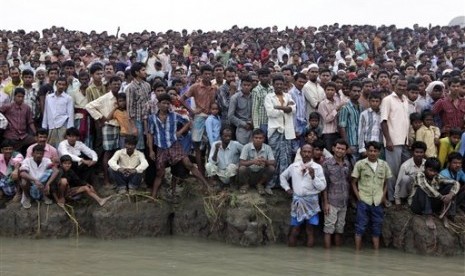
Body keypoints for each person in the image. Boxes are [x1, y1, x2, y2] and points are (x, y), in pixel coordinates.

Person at [147, 93, 209, 199]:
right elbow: (150, 134)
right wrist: (151, 150)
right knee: (160, 173)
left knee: (188, 164)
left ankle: (206, 186)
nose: (166, 106)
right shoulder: (152, 118)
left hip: (174, 145)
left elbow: (188, 122)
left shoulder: (174, 115)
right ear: (158, 104)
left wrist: (180, 132)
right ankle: (153, 196)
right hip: (161, 147)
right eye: (164, 103)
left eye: (168, 103)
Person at [280, 144, 326, 247]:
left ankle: (309, 259)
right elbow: (282, 176)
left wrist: (314, 177)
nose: (306, 154)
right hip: (298, 201)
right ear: (301, 153)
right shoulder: (294, 166)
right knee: (295, 229)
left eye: (309, 152)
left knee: (310, 230)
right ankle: (292, 256)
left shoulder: (317, 168)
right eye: (304, 151)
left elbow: (322, 187)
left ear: (312, 153)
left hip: (312, 202)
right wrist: (287, 189)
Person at [351, 141, 392, 250]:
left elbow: (387, 182)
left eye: (375, 151)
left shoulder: (384, 165)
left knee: (377, 227)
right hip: (363, 200)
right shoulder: (360, 164)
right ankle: (357, 253)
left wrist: (383, 197)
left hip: (378, 201)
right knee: (360, 226)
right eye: (370, 150)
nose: (372, 153)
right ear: (367, 151)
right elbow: (353, 182)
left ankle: (376, 254)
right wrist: (359, 198)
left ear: (379, 152)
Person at [86, 76, 122, 187]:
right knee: (107, 152)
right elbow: (89, 106)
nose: (116, 86)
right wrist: (100, 117)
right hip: (109, 126)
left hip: (119, 127)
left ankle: (116, 179)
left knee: (117, 153)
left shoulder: (120, 97)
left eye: (118, 84)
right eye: (114, 84)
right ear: (110, 85)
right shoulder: (106, 97)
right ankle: (106, 180)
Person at [180, 64, 217, 173]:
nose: (207, 76)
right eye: (205, 73)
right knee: (196, 144)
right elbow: (182, 99)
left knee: (211, 144)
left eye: (209, 74)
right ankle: (200, 171)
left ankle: (209, 171)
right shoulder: (195, 86)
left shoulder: (214, 88)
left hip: (210, 117)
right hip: (199, 117)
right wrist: (191, 111)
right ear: (201, 75)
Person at [264, 74, 295, 195]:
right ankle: (271, 184)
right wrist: (285, 108)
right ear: (273, 85)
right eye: (276, 84)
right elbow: (271, 112)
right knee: (274, 157)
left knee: (286, 158)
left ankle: (284, 184)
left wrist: (279, 107)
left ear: (284, 85)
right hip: (275, 131)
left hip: (287, 131)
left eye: (281, 84)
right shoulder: (269, 97)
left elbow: (293, 109)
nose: (279, 86)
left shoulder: (288, 96)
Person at [381, 77, 410, 203]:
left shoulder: (405, 100)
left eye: (404, 86)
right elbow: (383, 121)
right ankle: (392, 197)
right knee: (392, 172)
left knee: (404, 171)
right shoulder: (387, 100)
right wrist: (388, 140)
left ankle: (401, 195)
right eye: (400, 85)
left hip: (404, 141)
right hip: (393, 141)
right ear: (394, 85)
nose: (402, 88)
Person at [410, 157, 460, 229]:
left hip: (432, 204)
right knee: (421, 189)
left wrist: (450, 195)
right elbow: (427, 188)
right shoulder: (419, 175)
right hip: (417, 206)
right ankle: (428, 215)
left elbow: (456, 183)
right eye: (430, 170)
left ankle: (445, 214)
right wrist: (442, 197)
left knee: (450, 187)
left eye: (435, 171)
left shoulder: (437, 177)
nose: (432, 173)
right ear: (425, 168)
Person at [322, 139, 351, 249]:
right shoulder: (326, 164)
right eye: (338, 148)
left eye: (343, 149)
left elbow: (348, 181)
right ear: (333, 148)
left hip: (344, 202)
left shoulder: (347, 164)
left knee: (340, 228)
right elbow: (324, 186)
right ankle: (327, 256)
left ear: (345, 151)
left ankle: (337, 255)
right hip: (331, 201)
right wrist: (326, 203)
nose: (340, 150)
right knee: (329, 229)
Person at [19, 145, 60, 209]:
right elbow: (22, 173)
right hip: (31, 183)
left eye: (41, 154)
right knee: (24, 181)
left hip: (42, 183)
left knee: (49, 173)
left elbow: (56, 171)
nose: (39, 155)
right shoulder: (27, 161)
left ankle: (44, 196)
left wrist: (48, 184)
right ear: (32, 154)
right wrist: (35, 180)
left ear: (43, 154)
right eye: (37, 153)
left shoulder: (46, 160)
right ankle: (27, 197)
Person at [237, 129, 275, 195]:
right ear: (252, 138)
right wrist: (253, 162)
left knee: (271, 168)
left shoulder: (267, 147)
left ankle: (259, 184)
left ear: (263, 139)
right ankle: (245, 184)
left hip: (261, 173)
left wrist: (265, 161)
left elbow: (273, 162)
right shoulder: (247, 147)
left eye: (260, 138)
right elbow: (241, 163)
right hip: (249, 173)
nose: (258, 140)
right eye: (256, 138)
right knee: (242, 168)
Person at [42, 76, 75, 148]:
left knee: (62, 147)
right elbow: (46, 112)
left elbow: (70, 114)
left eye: (63, 85)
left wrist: (69, 131)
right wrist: (44, 127)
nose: (61, 86)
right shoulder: (49, 97)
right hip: (51, 126)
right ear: (56, 84)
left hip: (62, 126)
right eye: (59, 84)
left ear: (66, 86)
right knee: (50, 147)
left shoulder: (68, 98)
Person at [0, 87, 37, 151]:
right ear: (14, 97)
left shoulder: (26, 108)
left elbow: (30, 122)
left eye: (22, 97)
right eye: (18, 96)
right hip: (11, 135)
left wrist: (36, 133)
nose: (20, 99)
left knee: (36, 140)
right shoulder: (8, 106)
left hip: (23, 135)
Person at [394, 141, 427, 208]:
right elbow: (398, 183)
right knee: (405, 179)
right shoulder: (405, 165)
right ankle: (404, 199)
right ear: (412, 153)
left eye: (421, 152)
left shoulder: (427, 163)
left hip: (422, 189)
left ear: (424, 153)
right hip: (410, 189)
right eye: (417, 152)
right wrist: (397, 201)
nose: (419, 154)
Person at [125, 62, 150, 150]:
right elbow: (130, 108)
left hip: (147, 119)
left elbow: (148, 102)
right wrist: (133, 126)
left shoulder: (147, 85)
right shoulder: (131, 88)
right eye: (143, 70)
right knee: (139, 146)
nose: (145, 72)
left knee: (149, 143)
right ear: (136, 72)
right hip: (137, 120)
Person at [338, 81, 363, 161]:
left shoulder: (361, 107)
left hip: (361, 143)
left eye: (359, 91)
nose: (357, 93)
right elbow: (342, 127)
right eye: (354, 91)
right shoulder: (345, 108)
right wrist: (347, 145)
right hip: (351, 144)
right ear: (349, 91)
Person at [228, 75, 253, 145]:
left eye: (248, 85)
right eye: (244, 85)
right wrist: (244, 124)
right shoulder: (235, 98)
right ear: (241, 85)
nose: (246, 87)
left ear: (251, 86)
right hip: (241, 127)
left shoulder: (254, 97)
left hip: (253, 126)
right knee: (242, 148)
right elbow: (230, 116)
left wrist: (252, 122)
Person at [318, 82, 342, 151]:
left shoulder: (337, 102)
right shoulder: (322, 104)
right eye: (328, 90)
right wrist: (336, 109)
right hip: (327, 133)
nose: (330, 92)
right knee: (329, 154)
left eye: (332, 90)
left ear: (335, 91)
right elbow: (326, 119)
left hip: (337, 132)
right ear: (325, 91)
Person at [358, 93, 382, 158]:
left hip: (379, 144)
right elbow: (361, 132)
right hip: (367, 144)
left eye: (377, 101)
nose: (375, 103)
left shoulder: (382, 114)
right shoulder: (364, 114)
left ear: (380, 102)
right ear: (369, 101)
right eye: (373, 101)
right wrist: (362, 148)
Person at [252, 67, 274, 137]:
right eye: (262, 76)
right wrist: (256, 127)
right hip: (262, 123)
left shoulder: (272, 89)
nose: (265, 78)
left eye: (266, 76)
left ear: (269, 77)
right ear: (259, 77)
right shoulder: (256, 90)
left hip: (272, 122)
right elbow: (255, 109)